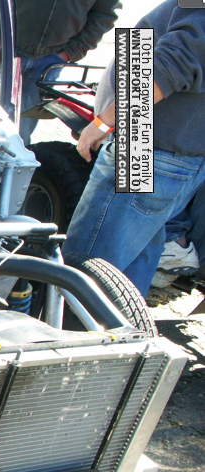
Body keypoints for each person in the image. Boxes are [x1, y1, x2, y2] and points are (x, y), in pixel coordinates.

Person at [63, 0, 205, 297]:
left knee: (88, 270)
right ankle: (121, 322)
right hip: (160, 144)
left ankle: (78, 325)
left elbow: (170, 66)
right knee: (129, 266)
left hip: (145, 143)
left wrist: (102, 123)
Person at [0, 0, 120, 144]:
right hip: (1, 50)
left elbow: (105, 13)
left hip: (50, 61)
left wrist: (71, 52)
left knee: (17, 137)